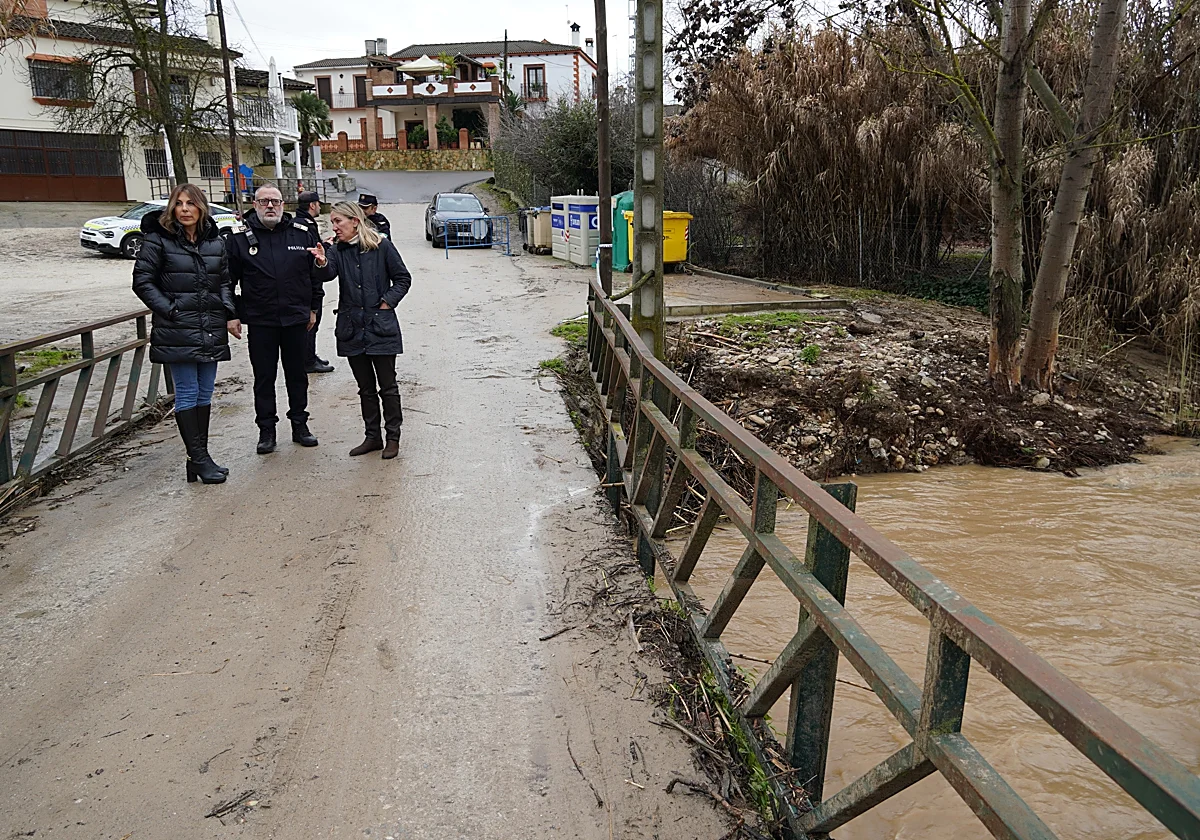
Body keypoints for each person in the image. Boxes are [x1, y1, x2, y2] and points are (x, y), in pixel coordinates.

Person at [132, 183, 239, 485]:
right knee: (188, 392)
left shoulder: (215, 242)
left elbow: (225, 282)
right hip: (177, 327)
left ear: (201, 207)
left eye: (191, 203)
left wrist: (228, 312)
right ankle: (200, 459)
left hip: (210, 327)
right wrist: (171, 310)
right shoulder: (158, 240)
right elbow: (142, 281)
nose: (185, 209)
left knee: (205, 392)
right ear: (172, 208)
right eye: (179, 204)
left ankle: (199, 458)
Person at [225, 184, 335, 454]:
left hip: (296, 319)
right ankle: (266, 430)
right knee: (264, 378)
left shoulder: (302, 233)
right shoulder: (239, 238)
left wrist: (313, 308)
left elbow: (314, 277)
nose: (270, 206)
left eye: (274, 201)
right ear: (255, 204)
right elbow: (227, 281)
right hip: (261, 321)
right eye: (264, 202)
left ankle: (300, 424)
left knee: (297, 375)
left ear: (283, 204)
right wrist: (231, 315)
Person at [326, 201, 411, 459]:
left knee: (388, 386)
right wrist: (320, 260)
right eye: (332, 222)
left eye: (338, 221)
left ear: (355, 221)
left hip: (380, 326)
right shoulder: (336, 250)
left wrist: (387, 302)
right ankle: (372, 436)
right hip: (352, 327)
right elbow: (326, 274)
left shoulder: (381, 246)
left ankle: (392, 437)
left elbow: (403, 278)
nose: (334, 227)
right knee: (365, 388)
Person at [294, 190, 335, 374]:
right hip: (309, 282)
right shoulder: (306, 225)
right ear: (312, 205)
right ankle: (308, 361)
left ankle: (309, 356)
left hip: (305, 281)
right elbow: (309, 253)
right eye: (318, 204)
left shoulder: (299, 223)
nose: (319, 207)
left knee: (312, 323)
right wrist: (326, 246)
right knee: (312, 322)